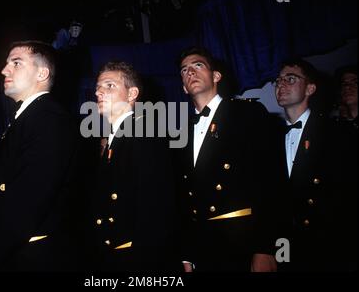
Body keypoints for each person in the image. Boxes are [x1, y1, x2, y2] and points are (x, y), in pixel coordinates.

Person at [0, 41, 78, 271]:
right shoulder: (28, 118)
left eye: (16, 63)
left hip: (29, 257)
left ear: (42, 73)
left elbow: (27, 200)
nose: (4, 70)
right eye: (7, 64)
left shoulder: (48, 119)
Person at [178, 47, 280, 272]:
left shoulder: (247, 113)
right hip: (202, 246)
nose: (190, 72)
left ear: (216, 76)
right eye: (184, 70)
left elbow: (271, 180)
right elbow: (183, 198)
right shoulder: (181, 132)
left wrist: (264, 248)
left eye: (198, 65)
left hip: (240, 240)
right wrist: (186, 253)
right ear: (184, 88)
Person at [88, 61, 179, 271]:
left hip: (137, 259)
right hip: (114, 254)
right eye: (98, 87)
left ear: (132, 94)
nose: (99, 92)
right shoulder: (116, 136)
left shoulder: (145, 130)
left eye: (109, 86)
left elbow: (156, 208)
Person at [273, 59, 356, 271]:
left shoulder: (337, 133)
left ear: (310, 88)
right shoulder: (269, 137)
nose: (281, 84)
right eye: (279, 80)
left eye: (290, 79)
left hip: (328, 244)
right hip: (287, 245)